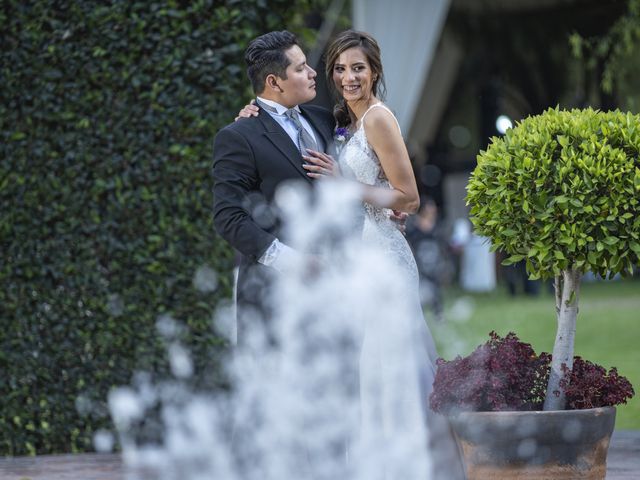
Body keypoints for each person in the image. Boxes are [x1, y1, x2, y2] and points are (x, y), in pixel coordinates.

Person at [213, 30, 337, 340]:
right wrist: (293, 263)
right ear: (274, 82)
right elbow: (228, 217)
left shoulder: (325, 120)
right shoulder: (239, 136)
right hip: (273, 296)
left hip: (336, 291)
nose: (312, 73)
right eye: (300, 68)